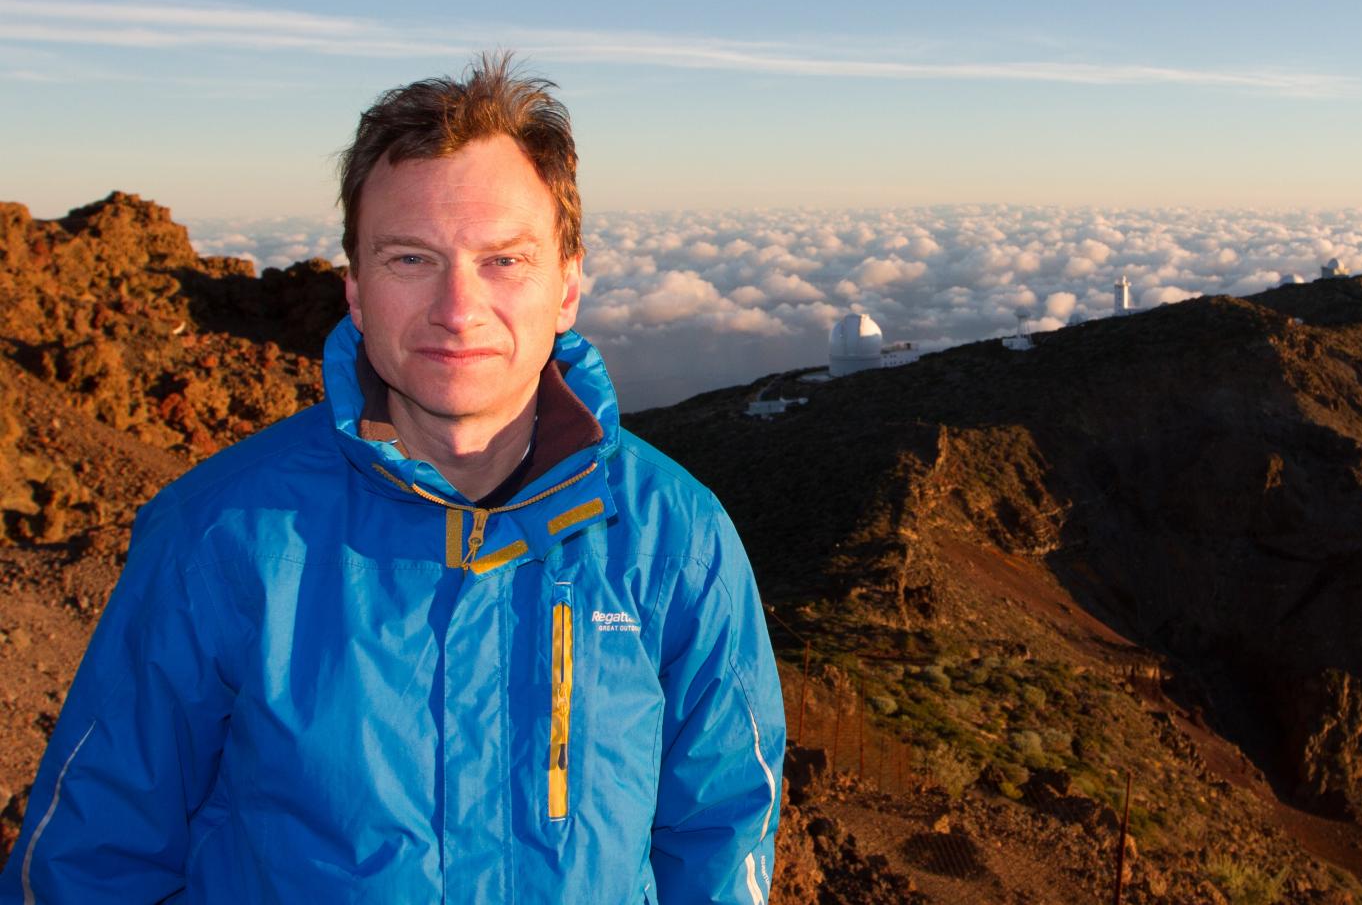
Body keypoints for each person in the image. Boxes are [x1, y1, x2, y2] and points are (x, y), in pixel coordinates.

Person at [1, 54, 785, 905]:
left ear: (566, 286)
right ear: (356, 291)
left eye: (504, 260)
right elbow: (91, 862)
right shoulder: (221, 537)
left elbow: (721, 832)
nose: (457, 308)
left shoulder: (676, 540)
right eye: (411, 259)